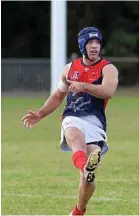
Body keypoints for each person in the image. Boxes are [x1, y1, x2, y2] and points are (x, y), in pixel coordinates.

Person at [21, 27, 119, 215]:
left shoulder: (108, 68)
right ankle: (85, 166)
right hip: (72, 116)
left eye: (97, 42)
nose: (94, 46)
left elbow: (108, 92)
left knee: (88, 179)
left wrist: (84, 86)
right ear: (82, 44)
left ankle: (78, 211)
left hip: (96, 123)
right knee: (73, 134)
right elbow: (58, 95)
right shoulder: (69, 69)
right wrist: (40, 114)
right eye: (90, 42)